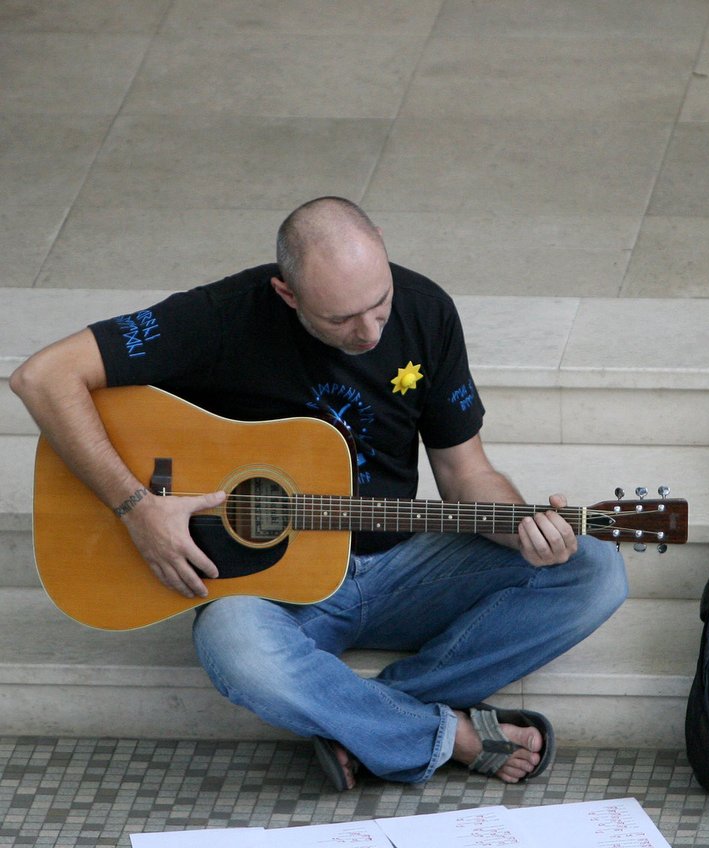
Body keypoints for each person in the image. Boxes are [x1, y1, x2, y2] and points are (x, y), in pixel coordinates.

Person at [11, 196, 628, 790]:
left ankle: (363, 718)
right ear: (287, 293)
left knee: (594, 569)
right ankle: (451, 737)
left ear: (383, 252)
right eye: (339, 319)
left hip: (398, 566)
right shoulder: (219, 317)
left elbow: (466, 475)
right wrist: (135, 506)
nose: (367, 331)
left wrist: (524, 526)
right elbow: (42, 377)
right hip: (274, 592)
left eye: (378, 304)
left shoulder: (427, 311)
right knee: (235, 648)